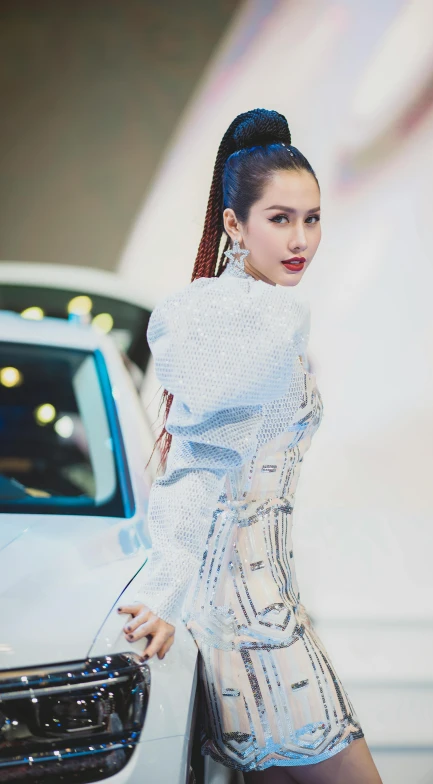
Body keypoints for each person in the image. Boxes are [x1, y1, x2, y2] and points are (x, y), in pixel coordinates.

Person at [118, 109, 383, 783]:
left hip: (255, 615)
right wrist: (167, 594)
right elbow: (199, 469)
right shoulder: (247, 318)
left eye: (312, 218)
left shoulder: (244, 312)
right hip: (258, 629)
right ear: (234, 225)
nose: (301, 239)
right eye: (280, 218)